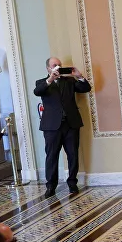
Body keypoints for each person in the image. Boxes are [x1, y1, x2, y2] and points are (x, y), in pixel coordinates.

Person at [34, 57, 92, 197]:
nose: (58, 67)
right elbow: (37, 92)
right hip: (51, 126)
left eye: (59, 65)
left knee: (73, 154)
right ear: (48, 68)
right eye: (55, 65)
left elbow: (86, 88)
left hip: (71, 124)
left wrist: (79, 76)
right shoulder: (42, 82)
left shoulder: (70, 81)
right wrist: (50, 79)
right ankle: (51, 186)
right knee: (52, 156)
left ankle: (72, 183)